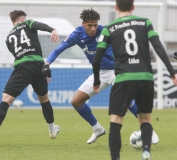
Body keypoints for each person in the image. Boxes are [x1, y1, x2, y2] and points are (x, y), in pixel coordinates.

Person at [42, 8, 159, 145]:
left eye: (95, 25)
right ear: (83, 24)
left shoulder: (105, 31)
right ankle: (97, 129)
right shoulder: (76, 35)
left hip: (117, 70)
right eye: (90, 25)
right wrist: (47, 64)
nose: (93, 28)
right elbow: (57, 50)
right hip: (100, 73)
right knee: (76, 101)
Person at [92, 0, 177, 159]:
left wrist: (97, 80)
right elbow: (158, 47)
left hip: (123, 78)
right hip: (145, 77)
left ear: (116, 7)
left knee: (116, 120)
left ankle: (115, 157)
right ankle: (146, 150)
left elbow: (97, 57)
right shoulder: (145, 22)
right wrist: (172, 71)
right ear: (133, 7)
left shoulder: (109, 28)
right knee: (145, 118)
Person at [0, 10, 60, 147]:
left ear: (13, 21)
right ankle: (52, 130)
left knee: (6, 99)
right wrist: (52, 29)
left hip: (23, 68)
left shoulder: (8, 38)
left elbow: (17, 54)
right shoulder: (28, 23)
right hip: (38, 66)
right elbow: (40, 25)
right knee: (44, 99)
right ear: (23, 18)